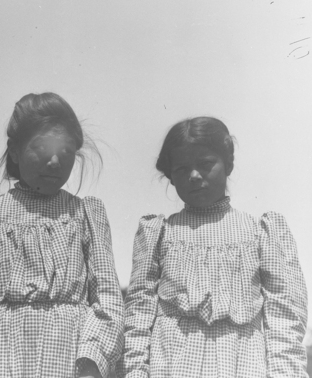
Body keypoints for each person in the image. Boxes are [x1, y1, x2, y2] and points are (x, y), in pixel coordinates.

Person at [0, 93, 124, 378]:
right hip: (1, 354)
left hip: (69, 356)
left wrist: (92, 360)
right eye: (41, 148)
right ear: (15, 152)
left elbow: (107, 296)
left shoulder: (85, 213)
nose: (54, 161)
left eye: (65, 152)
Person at [118, 117, 308, 377]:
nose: (194, 176)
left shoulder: (261, 232)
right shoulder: (158, 234)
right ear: (170, 177)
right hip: (172, 366)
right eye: (182, 169)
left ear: (228, 164)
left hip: (243, 366)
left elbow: (284, 319)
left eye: (206, 164)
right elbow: (138, 315)